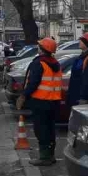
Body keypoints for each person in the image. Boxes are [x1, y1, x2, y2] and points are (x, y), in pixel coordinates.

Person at [16, 38, 62, 166]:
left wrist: (23, 96)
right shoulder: (55, 64)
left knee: (41, 129)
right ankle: (50, 155)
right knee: (50, 129)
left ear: (42, 49)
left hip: (41, 101)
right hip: (54, 102)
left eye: (39, 46)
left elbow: (33, 83)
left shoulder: (39, 63)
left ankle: (44, 157)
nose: (38, 47)